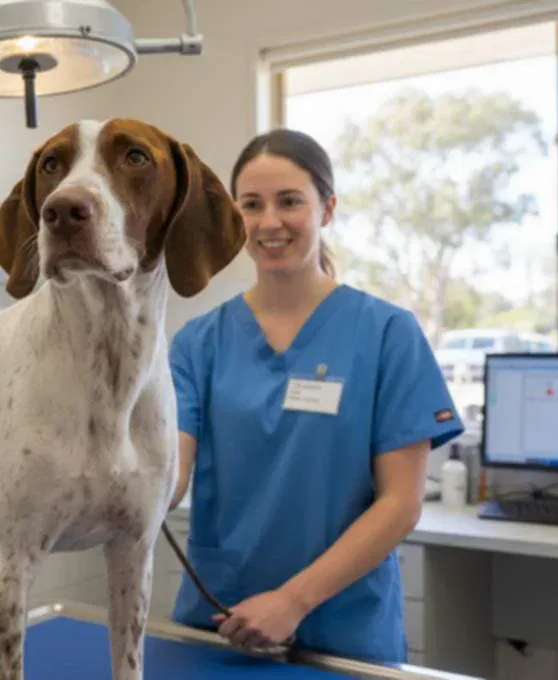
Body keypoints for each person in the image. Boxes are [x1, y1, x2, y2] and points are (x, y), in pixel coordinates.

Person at [166, 128, 464, 664]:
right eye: (251, 205)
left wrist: (293, 600)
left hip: (342, 629)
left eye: (289, 201)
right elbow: (170, 476)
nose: (269, 222)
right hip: (222, 621)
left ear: (327, 209)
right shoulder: (197, 343)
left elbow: (401, 503)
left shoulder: (387, 334)